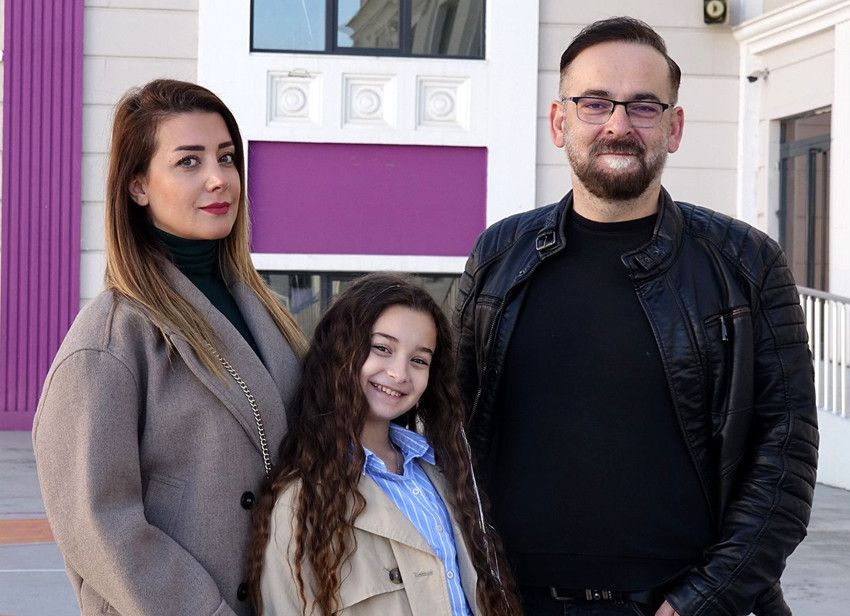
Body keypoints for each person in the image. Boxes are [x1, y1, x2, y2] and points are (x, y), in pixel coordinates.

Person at [453, 17, 817, 616]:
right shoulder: (498, 256)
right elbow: (452, 427)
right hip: (512, 601)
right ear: (559, 122)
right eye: (595, 103)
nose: (619, 125)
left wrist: (702, 601)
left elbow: (787, 454)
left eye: (644, 106)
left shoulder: (746, 263)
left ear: (674, 127)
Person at [32, 79, 306, 615]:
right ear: (138, 186)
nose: (218, 178)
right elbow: (98, 522)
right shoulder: (110, 340)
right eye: (188, 161)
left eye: (226, 157)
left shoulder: (266, 312)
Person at [247, 273, 521, 616]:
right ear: (341, 351)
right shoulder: (300, 501)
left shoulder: (441, 474)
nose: (399, 373)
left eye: (419, 360)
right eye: (382, 349)